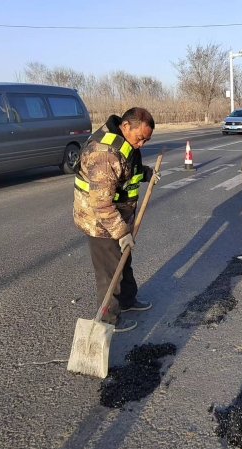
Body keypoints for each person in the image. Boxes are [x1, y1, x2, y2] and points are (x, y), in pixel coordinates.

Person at [73, 107, 161, 332]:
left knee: (123, 259)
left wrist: (146, 173)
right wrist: (122, 233)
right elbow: (101, 204)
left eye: (146, 140)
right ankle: (109, 319)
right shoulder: (104, 153)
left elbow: (128, 168)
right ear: (125, 127)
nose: (141, 144)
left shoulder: (125, 143)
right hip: (100, 220)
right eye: (140, 138)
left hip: (120, 216)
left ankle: (128, 300)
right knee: (109, 269)